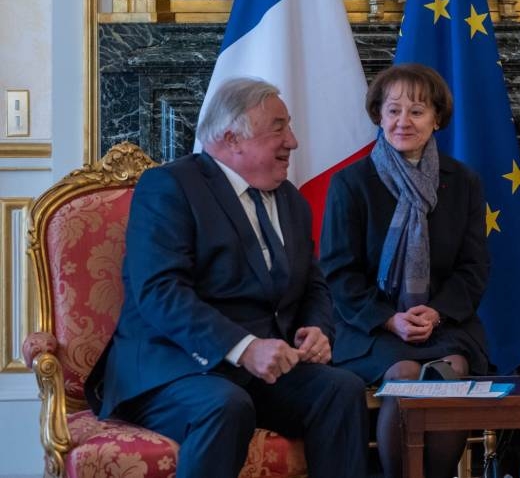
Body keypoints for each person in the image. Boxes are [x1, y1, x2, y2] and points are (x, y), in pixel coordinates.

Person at [84, 77, 369, 478]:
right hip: (173, 367)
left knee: (341, 389)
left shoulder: (289, 198)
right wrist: (244, 347)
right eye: (278, 127)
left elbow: (313, 284)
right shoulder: (171, 187)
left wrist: (317, 329)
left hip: (257, 372)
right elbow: (159, 292)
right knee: (225, 403)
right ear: (233, 138)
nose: (293, 141)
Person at [320, 63, 490, 478]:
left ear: (436, 119)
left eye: (416, 111)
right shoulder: (351, 183)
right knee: (406, 375)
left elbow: (474, 267)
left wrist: (436, 313)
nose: (403, 122)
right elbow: (338, 272)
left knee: (451, 371)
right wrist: (389, 320)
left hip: (445, 323)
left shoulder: (463, 181)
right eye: (393, 110)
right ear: (379, 115)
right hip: (371, 326)